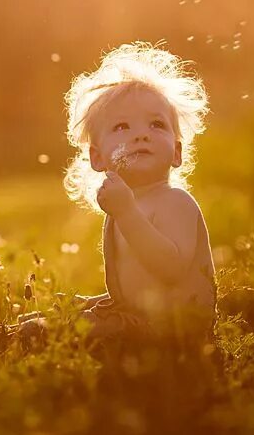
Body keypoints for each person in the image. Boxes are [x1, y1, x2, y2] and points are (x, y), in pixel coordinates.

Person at [19, 41, 217, 349]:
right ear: (98, 158)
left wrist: (126, 214)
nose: (141, 134)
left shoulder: (176, 202)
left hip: (176, 325)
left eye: (156, 124)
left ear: (177, 151)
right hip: (139, 315)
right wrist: (94, 301)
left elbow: (171, 268)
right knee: (61, 312)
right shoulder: (127, 206)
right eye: (122, 126)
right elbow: (135, 287)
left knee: (51, 331)